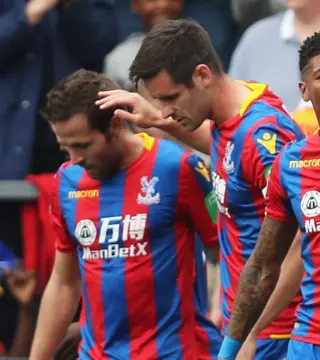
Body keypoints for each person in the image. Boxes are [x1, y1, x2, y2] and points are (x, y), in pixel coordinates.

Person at [95, 19, 306, 360]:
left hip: (275, 332)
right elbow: (231, 154)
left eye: (171, 98)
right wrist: (159, 119)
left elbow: (301, 241)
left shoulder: (265, 135)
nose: (165, 109)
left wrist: (247, 334)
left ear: (203, 76)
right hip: (248, 324)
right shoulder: (230, 118)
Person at [30, 69, 222, 360]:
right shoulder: (66, 182)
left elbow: (225, 248)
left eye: (83, 145)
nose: (74, 159)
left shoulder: (178, 168)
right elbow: (65, 281)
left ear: (116, 125)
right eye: (65, 147)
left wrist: (222, 310)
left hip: (176, 352)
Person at [221, 29, 320, 360]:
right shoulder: (292, 162)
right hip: (310, 341)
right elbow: (263, 265)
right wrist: (231, 349)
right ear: (304, 90)